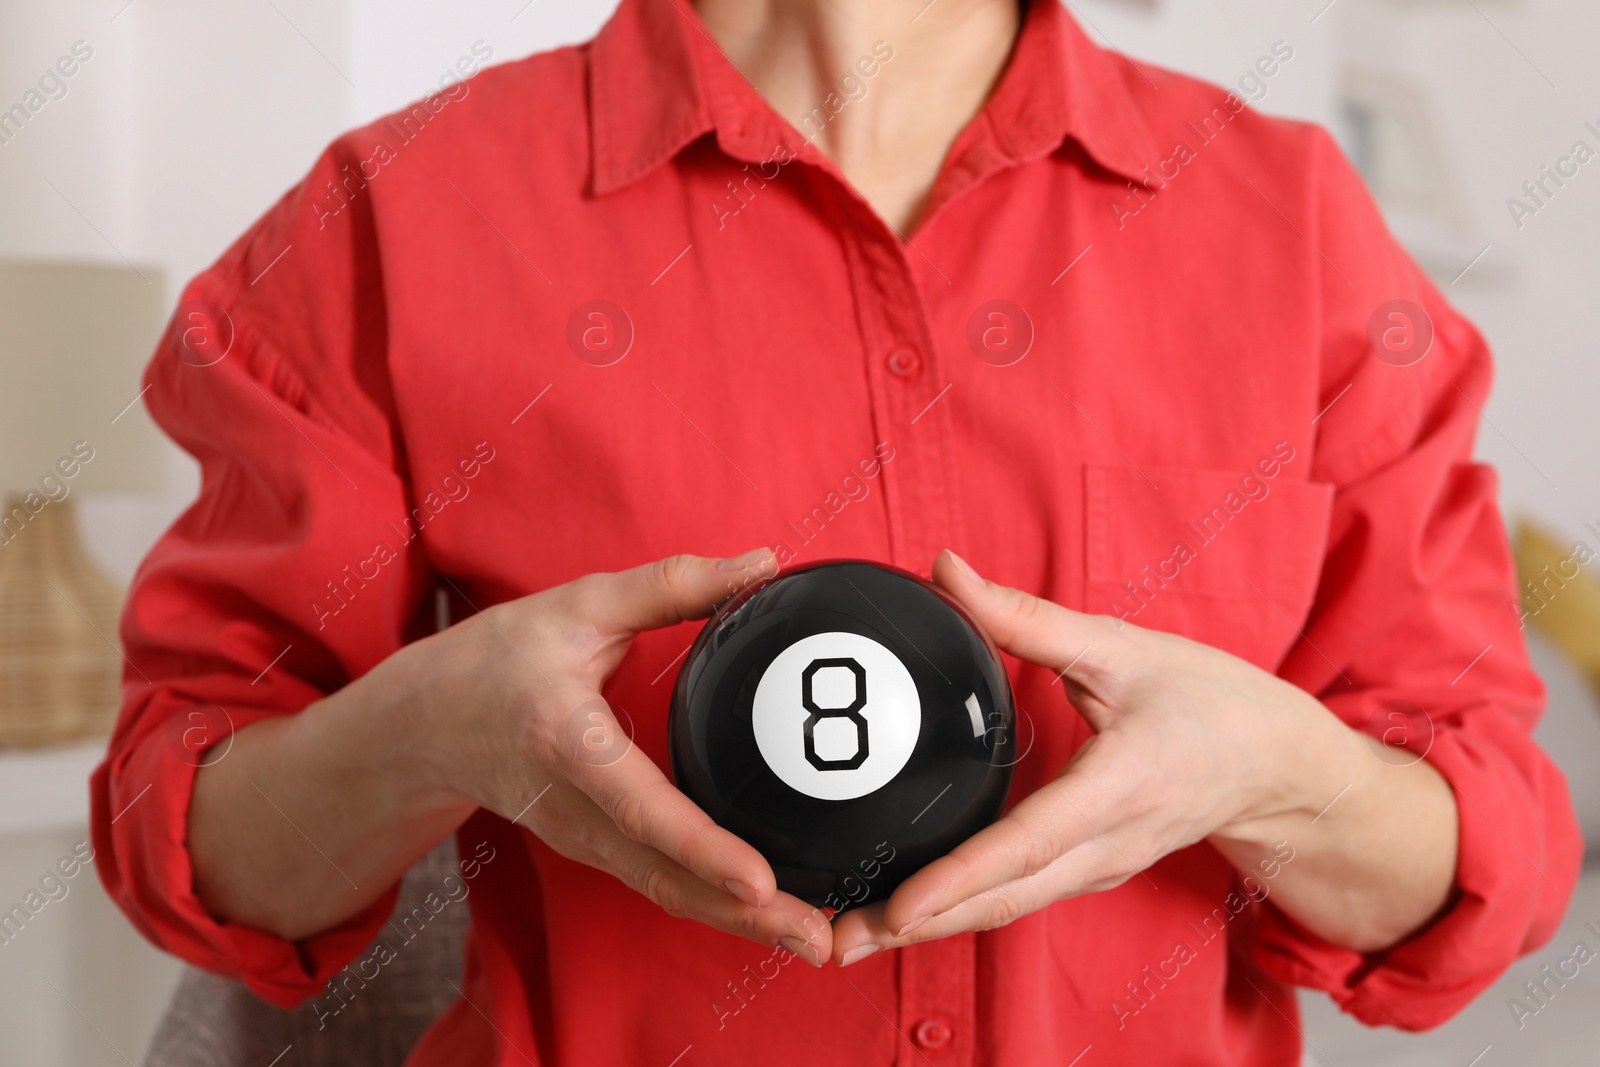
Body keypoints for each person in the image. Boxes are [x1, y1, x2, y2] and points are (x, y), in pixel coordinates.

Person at [91, 0, 1581, 1063]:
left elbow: (1483, 869)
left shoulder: (1296, 228)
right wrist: (439, 729)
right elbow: (200, 862)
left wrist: (1273, 776)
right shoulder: (390, 222)